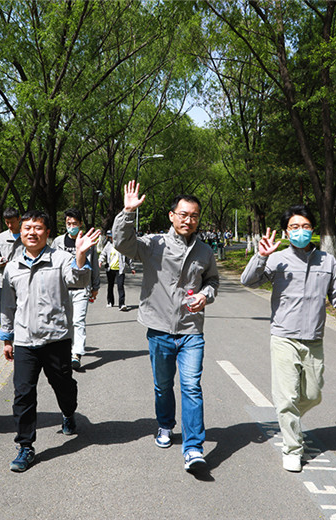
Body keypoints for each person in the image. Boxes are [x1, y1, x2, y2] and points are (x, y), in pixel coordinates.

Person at [240, 204, 336, 473]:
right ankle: (292, 448)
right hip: (284, 336)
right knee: (286, 398)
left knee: (313, 394)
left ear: (313, 229)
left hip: (314, 338)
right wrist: (260, 257)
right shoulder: (276, 259)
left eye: (305, 226)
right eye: (294, 227)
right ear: (286, 232)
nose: (300, 231)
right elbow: (247, 282)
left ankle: (289, 420)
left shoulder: (326, 261)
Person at [112, 181, 219, 474]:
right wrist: (127, 212)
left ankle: (194, 448)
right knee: (162, 387)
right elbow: (122, 243)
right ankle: (164, 425)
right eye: (183, 214)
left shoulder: (205, 251)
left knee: (191, 387)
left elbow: (212, 282)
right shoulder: (153, 244)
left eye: (194, 215)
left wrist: (204, 295)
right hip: (159, 329)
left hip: (191, 331)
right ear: (171, 216)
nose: (188, 220)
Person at [0, 210, 101, 472]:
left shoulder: (62, 258)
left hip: (56, 338)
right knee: (23, 393)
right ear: (20, 233)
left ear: (47, 232)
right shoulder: (12, 267)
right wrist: (7, 337)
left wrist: (80, 256)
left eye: (38, 228)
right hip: (24, 341)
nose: (32, 233)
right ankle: (25, 446)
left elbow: (79, 281)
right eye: (27, 228)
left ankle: (68, 413)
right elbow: (7, 305)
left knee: (63, 386)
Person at [52, 208, 101, 370]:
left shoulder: (88, 242)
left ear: (80, 224)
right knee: (64, 321)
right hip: (62, 288)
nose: (71, 226)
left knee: (78, 321)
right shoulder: (58, 242)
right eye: (68, 223)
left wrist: (95, 286)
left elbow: (94, 264)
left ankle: (76, 353)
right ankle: (64, 350)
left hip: (82, 287)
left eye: (74, 223)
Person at [0, 207, 23, 314]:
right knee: (4, 312)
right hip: (4, 282)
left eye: (12, 222)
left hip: (23, 280)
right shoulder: (0, 237)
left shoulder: (27, 236)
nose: (10, 225)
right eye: (7, 222)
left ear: (19, 219)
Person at [99, 230, 133, 311]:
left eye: (112, 236)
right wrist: (100, 261)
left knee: (120, 286)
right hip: (110, 269)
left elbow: (128, 257)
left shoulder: (122, 246)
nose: (111, 238)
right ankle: (110, 301)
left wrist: (132, 267)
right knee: (110, 286)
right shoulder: (108, 245)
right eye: (109, 237)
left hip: (120, 269)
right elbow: (103, 254)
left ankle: (122, 304)